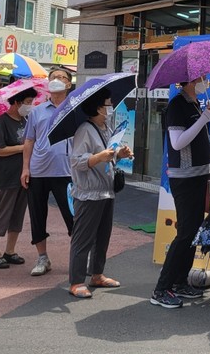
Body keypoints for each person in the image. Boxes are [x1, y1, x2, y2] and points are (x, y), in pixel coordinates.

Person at [150, 75, 210, 309]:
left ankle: (179, 282)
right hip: (184, 177)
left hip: (199, 174)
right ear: (189, 81)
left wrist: (205, 117)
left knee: (193, 230)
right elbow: (177, 143)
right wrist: (204, 120)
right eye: (201, 78)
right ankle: (161, 288)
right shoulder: (177, 105)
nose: (205, 81)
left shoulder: (195, 104)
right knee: (185, 232)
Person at [67, 91, 132, 299]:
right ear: (97, 108)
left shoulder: (106, 128)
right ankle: (76, 281)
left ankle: (97, 274)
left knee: (103, 236)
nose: (111, 108)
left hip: (106, 190)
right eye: (108, 105)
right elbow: (77, 161)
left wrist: (118, 155)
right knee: (83, 238)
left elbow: (109, 157)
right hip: (88, 193)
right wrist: (98, 157)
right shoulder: (85, 130)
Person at [21, 67, 74, 276]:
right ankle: (42, 258)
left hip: (66, 172)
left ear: (69, 84)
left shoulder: (75, 109)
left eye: (62, 77)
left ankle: (79, 258)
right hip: (38, 171)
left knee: (73, 216)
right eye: (53, 77)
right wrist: (25, 168)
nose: (57, 80)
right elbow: (29, 141)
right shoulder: (37, 111)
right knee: (37, 216)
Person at [0, 88, 34, 270]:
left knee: (17, 215)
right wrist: (22, 148)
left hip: (23, 175)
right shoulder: (2, 122)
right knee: (0, 214)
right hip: (4, 176)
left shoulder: (26, 121)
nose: (30, 106)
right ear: (17, 102)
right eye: (28, 102)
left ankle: (10, 250)